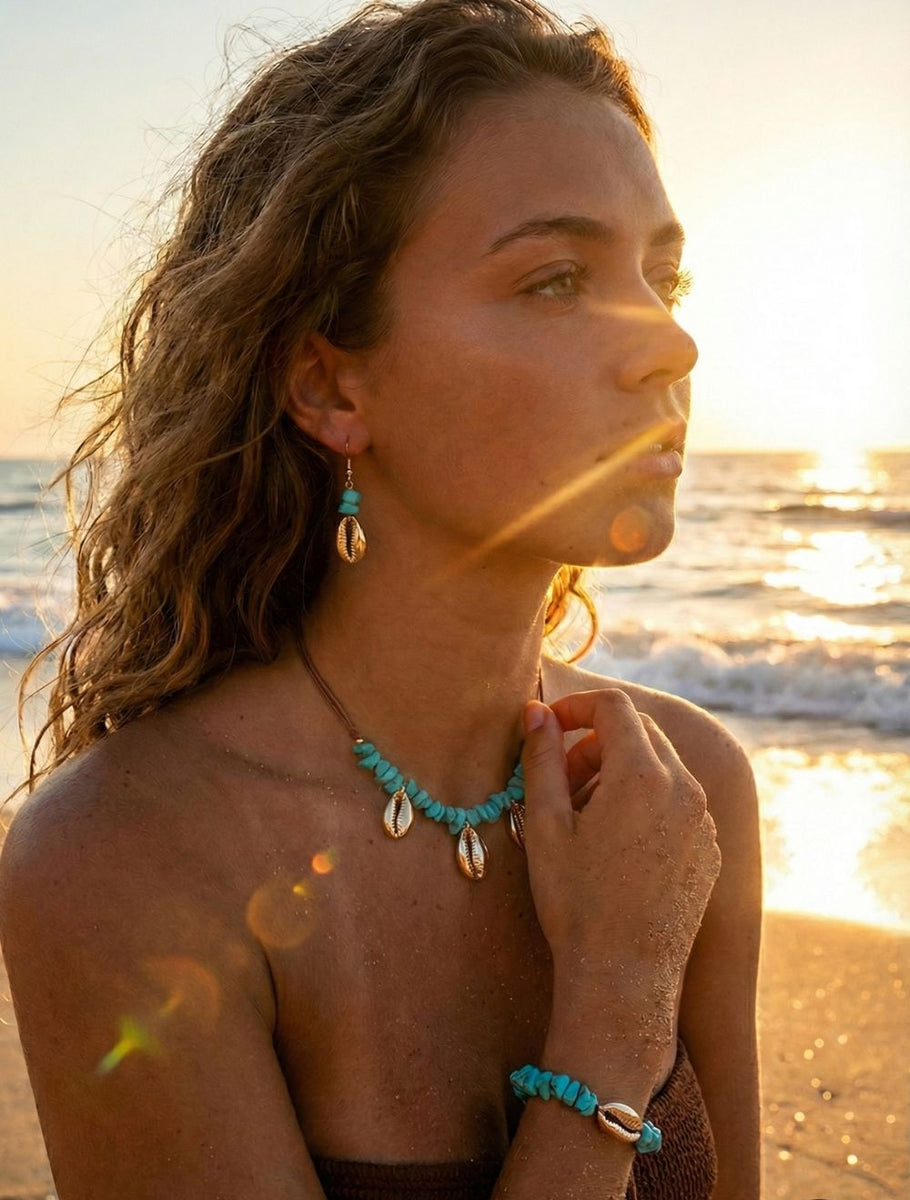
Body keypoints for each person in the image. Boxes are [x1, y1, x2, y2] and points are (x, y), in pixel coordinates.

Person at [0, 0, 763, 1196]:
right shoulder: (123, 859)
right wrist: (619, 999)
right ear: (328, 384)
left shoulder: (680, 789)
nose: (670, 344)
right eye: (557, 280)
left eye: (661, 276)